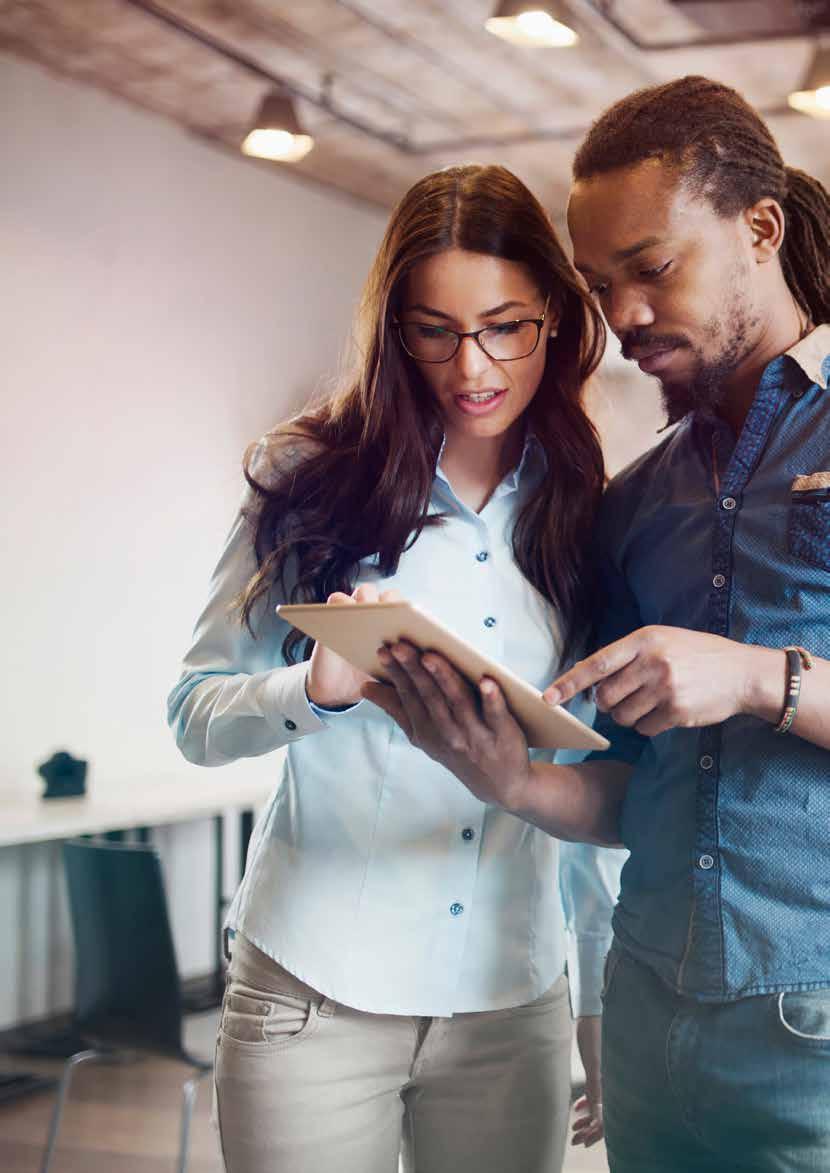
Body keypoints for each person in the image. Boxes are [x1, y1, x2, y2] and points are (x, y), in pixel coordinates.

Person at [366, 78, 830, 1172]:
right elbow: (636, 792)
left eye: (651, 268)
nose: (619, 314)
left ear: (756, 229)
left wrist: (763, 680)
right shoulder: (633, 504)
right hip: (647, 1011)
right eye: (596, 282)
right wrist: (508, 778)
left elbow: (751, 685)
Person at [167, 163, 626, 1173]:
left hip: (508, 1008)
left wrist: (595, 1001)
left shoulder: (589, 506)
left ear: (552, 315)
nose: (472, 365)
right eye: (433, 330)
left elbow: (593, 782)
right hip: (311, 997)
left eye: (504, 326)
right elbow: (194, 714)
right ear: (392, 329)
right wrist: (314, 691)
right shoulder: (308, 475)